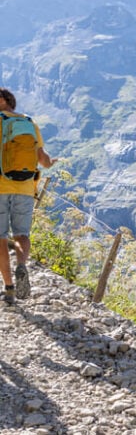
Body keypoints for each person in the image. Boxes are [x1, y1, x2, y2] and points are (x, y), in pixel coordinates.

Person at [0, 88, 56, 305]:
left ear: (3, 101)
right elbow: (42, 159)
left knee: (1, 238)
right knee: (21, 234)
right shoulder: (29, 122)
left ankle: (10, 288)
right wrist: (51, 164)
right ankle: (21, 264)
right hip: (24, 187)